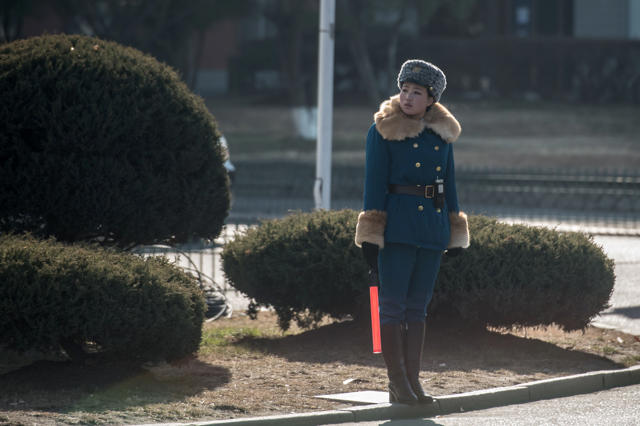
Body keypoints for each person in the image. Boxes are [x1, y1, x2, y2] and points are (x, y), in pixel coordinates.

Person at [355, 59, 470, 405]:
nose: (406, 97)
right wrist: (371, 235)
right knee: (392, 308)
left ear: (431, 99)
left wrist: (455, 230)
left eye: (416, 92)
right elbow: (373, 185)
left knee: (417, 309)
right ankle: (397, 383)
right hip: (398, 228)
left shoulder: (442, 134)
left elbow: (449, 184)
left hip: (432, 230)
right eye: (404, 89)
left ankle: (414, 382)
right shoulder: (382, 130)